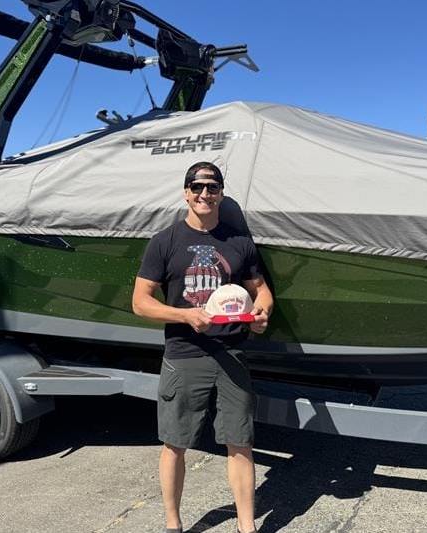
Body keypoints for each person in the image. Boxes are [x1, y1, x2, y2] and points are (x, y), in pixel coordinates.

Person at [132, 161, 273, 533]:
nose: (204, 194)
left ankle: (246, 526)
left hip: (232, 354)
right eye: (196, 187)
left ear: (221, 194)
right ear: (185, 192)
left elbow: (260, 290)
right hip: (184, 353)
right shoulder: (165, 241)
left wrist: (262, 313)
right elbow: (140, 302)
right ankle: (173, 524)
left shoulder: (239, 242)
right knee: (174, 443)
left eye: (212, 187)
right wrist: (186, 316)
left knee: (240, 441)